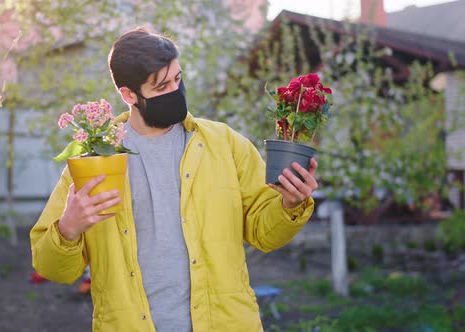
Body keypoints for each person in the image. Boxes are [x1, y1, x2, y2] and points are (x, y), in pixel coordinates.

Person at [30, 27, 318, 332]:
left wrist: (289, 205)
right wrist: (68, 229)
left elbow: (264, 233)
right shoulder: (93, 161)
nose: (174, 91)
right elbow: (53, 268)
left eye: (177, 79)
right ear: (128, 94)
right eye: (161, 86)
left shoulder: (225, 144)